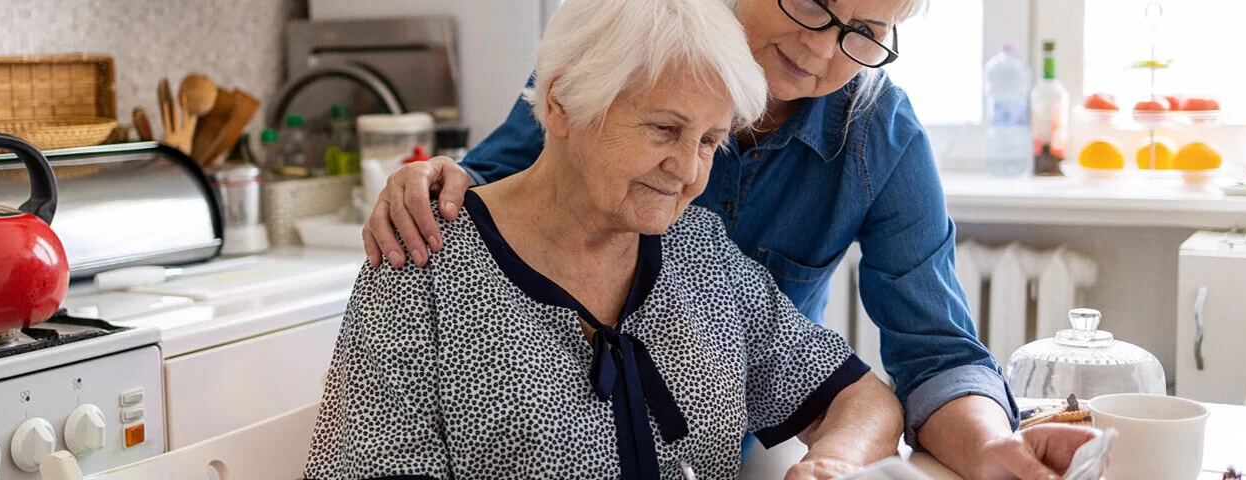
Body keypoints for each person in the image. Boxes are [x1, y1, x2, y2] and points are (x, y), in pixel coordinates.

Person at [361, 0, 1102, 478]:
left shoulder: (877, 136)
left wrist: (993, 449)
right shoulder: (629, 49)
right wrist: (426, 181)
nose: (822, 49)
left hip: (729, 448)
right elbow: (489, 202)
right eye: (813, 3)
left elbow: (933, 352)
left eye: (866, 33)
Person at [304, 0, 903, 478]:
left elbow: (863, 399)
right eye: (665, 129)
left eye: (707, 141)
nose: (689, 171)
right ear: (563, 102)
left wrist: (834, 464)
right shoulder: (425, 261)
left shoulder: (700, 252)